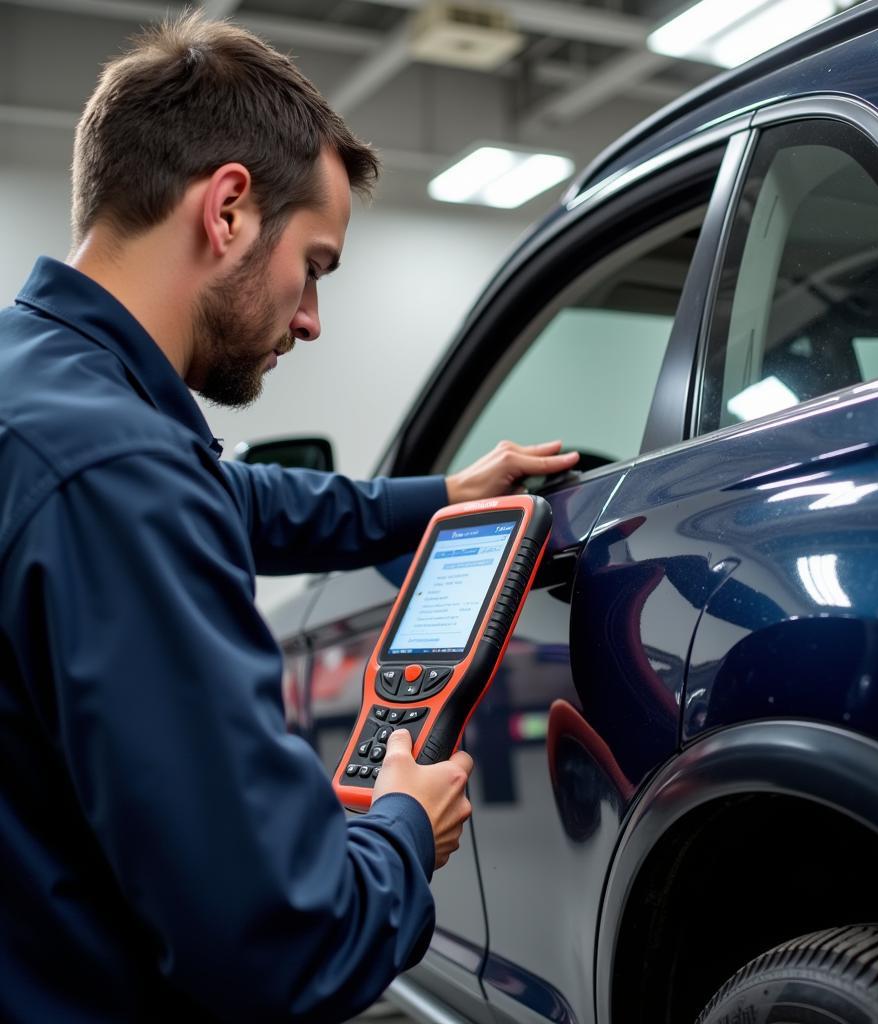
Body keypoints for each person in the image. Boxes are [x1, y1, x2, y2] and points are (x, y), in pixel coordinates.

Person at [0, 13, 578, 1023]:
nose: (310, 317)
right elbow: (283, 944)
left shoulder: (45, 400)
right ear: (227, 210)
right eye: (313, 265)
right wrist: (402, 826)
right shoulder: (119, 472)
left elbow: (238, 496)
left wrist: (440, 497)